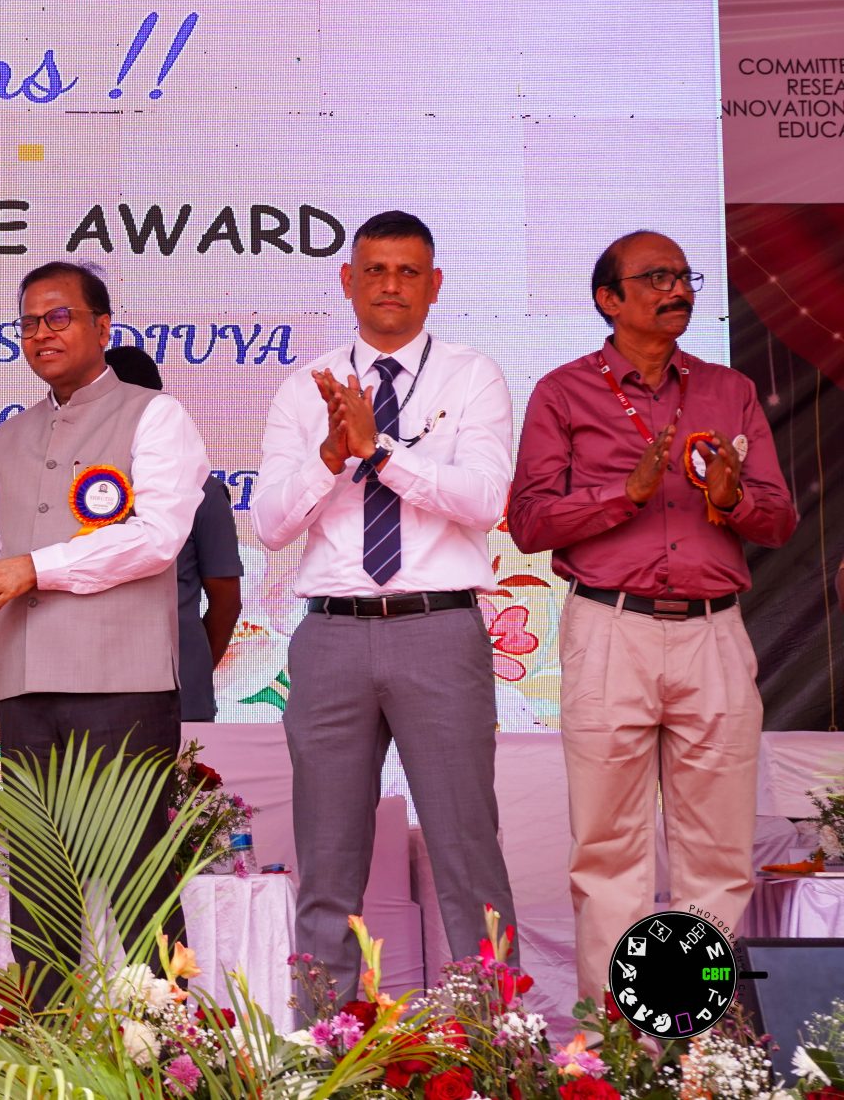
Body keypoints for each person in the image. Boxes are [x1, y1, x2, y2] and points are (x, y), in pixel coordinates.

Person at [0, 262, 209, 1003]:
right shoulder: (6, 436)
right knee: (38, 876)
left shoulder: (155, 415)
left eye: (59, 317)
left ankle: (172, 1046)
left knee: (137, 872)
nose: (41, 333)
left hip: (122, 683)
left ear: (103, 327)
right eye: (28, 322)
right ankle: (46, 1043)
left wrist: (38, 567)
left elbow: (157, 536)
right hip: (26, 685)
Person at [509, 230, 795, 1000]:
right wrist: (624, 494)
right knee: (610, 851)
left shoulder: (728, 390)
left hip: (714, 629)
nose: (678, 289)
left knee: (719, 853)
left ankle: (701, 1037)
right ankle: (619, 1038)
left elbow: (779, 520)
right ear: (609, 298)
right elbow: (529, 521)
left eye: (683, 275)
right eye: (657, 277)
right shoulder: (563, 392)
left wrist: (735, 497)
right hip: (612, 626)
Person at [249, 210, 518, 1002]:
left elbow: (486, 499)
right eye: (375, 270)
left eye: (408, 271)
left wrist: (382, 451)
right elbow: (269, 525)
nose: (391, 284)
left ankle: (493, 1037)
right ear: (347, 281)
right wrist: (332, 455)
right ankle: (322, 1039)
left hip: (439, 627)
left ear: (435, 285)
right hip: (333, 635)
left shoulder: (471, 375)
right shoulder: (305, 387)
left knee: (467, 851)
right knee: (327, 859)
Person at [104, 347, 242, 723]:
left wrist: (191, 669)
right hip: (89, 688)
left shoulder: (202, 490)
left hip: (179, 697)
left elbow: (226, 601)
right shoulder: (77, 491)